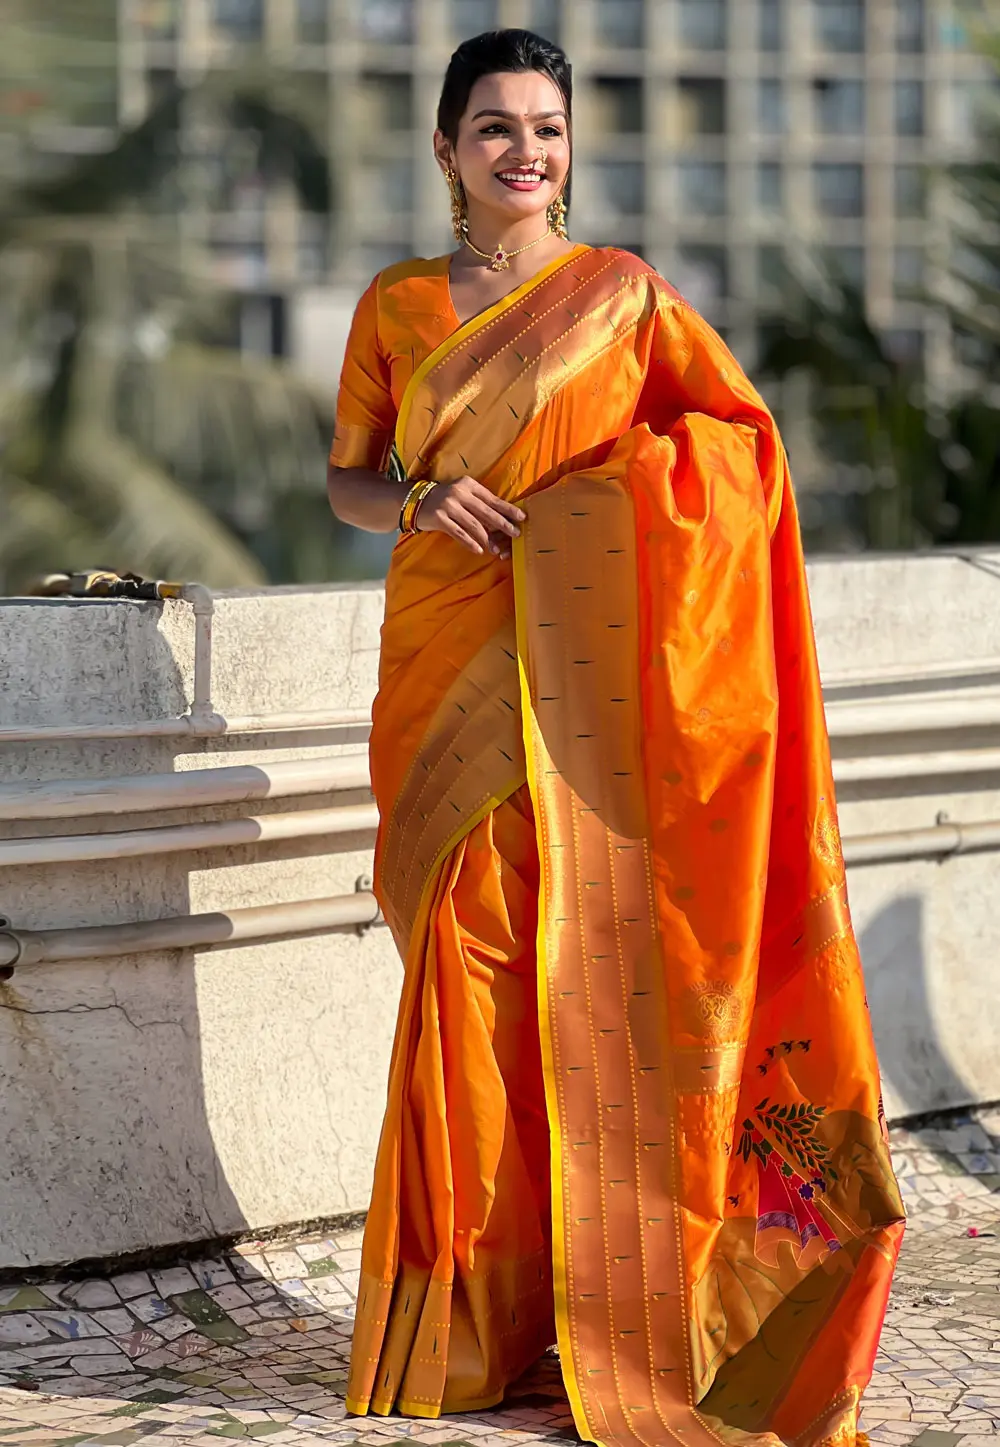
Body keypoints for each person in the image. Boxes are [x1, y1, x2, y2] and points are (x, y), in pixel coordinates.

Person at [326, 28, 904, 1447]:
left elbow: (742, 448)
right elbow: (348, 476)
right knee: (465, 977)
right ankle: (460, 1327)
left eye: (548, 128)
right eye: (496, 128)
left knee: (590, 977)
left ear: (569, 148)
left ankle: (627, 1312)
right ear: (448, 149)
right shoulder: (397, 306)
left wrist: (606, 504)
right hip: (446, 669)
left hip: (593, 698)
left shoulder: (628, 302)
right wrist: (417, 502)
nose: (526, 152)